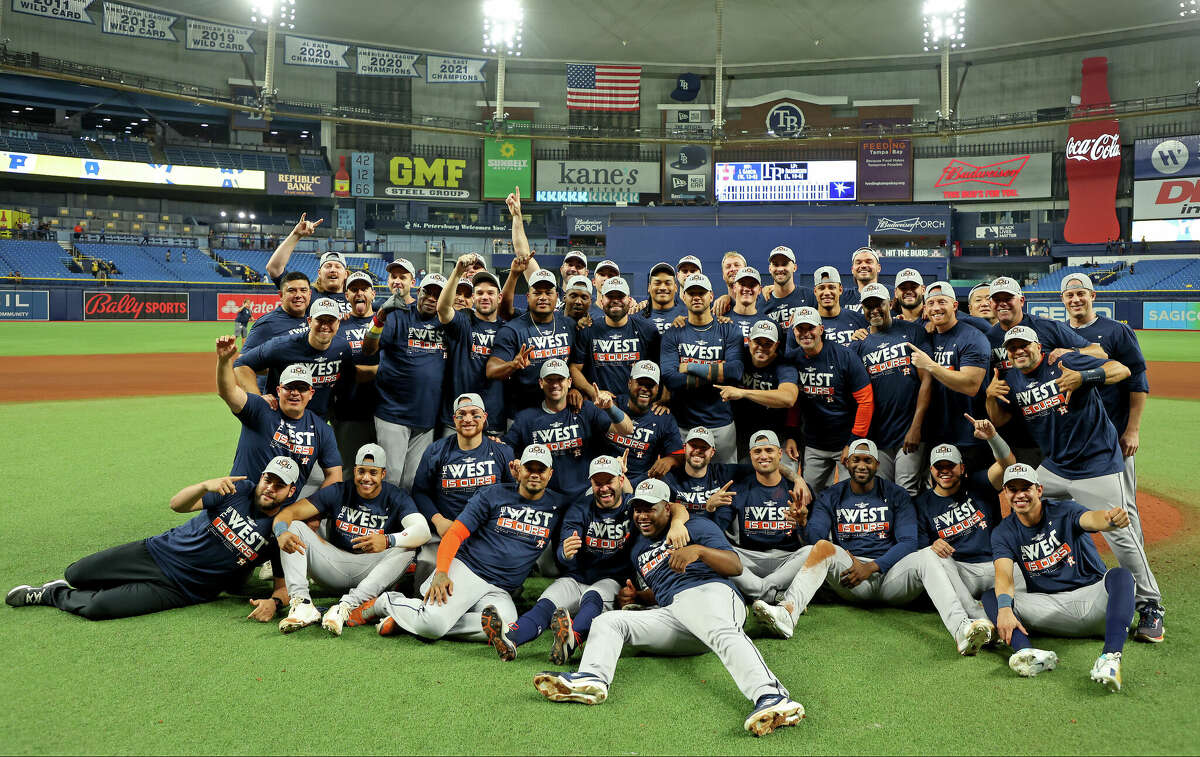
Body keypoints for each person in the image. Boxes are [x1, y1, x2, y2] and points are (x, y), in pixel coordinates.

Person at [533, 478, 806, 738]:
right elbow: (662, 589)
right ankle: (591, 679)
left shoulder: (696, 527)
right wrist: (639, 595)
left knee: (717, 627)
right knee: (608, 622)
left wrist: (699, 551)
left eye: (649, 509)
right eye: (637, 510)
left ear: (667, 508)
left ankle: (773, 696)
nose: (642, 516)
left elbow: (734, 566)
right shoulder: (638, 546)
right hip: (676, 613)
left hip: (711, 593)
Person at [985, 326, 1163, 643]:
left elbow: (1120, 369)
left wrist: (1084, 377)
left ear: (1038, 346)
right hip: (1055, 467)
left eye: (1024, 346)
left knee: (1121, 533)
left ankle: (1150, 606)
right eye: (1012, 348)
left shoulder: (1063, 362)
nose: (1018, 352)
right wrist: (989, 397)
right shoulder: (1010, 377)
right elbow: (998, 420)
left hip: (1096, 464)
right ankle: (1028, 579)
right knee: (1022, 498)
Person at [752, 439, 994, 656]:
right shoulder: (832, 495)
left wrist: (873, 567)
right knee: (823, 547)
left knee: (928, 554)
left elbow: (909, 542)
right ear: (846, 462)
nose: (861, 465)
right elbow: (816, 536)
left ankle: (961, 629)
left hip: (891, 578)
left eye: (868, 460)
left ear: (877, 464)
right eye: (856, 459)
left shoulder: (896, 494)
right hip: (852, 578)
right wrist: (804, 523)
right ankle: (787, 613)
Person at [6, 458, 298, 622]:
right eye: (267, 479)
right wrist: (202, 486)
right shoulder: (239, 490)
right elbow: (177, 505)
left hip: (183, 589)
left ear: (290, 492)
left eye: (279, 485)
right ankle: (64, 583)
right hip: (156, 552)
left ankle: (50, 595)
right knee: (76, 573)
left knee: (99, 609)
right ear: (260, 478)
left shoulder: (279, 530)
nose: (270, 488)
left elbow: (283, 588)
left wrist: (274, 603)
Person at [481, 455, 688, 663]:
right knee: (546, 603)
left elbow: (674, 507)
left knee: (593, 597)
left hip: (611, 580)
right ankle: (510, 640)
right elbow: (564, 549)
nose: (604, 488)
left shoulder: (633, 506)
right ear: (591, 483)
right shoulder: (580, 507)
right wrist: (566, 552)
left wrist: (678, 523)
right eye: (598, 483)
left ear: (621, 480)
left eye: (609, 481)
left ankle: (571, 640)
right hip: (577, 576)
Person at [362, 445, 563, 643]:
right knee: (432, 626)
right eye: (529, 468)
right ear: (520, 470)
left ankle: (412, 619)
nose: (535, 474)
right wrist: (442, 572)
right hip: (468, 570)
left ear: (550, 473)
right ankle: (387, 603)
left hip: (500, 589)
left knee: (507, 627)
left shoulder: (558, 505)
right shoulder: (493, 494)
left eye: (541, 470)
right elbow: (454, 534)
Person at [981, 464, 1137, 692]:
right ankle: (1028, 653)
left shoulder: (1065, 510)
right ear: (1005, 493)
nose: (1020, 495)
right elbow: (1003, 574)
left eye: (1026, 488)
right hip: (1050, 607)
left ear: (1039, 490)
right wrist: (1004, 608)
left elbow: (1091, 519)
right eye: (1012, 489)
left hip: (1092, 602)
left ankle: (1110, 658)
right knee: (992, 597)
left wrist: (1110, 520)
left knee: (1121, 576)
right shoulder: (1004, 532)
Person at [271, 444, 429, 636]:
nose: (366, 478)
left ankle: (345, 607)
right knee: (294, 527)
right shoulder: (339, 491)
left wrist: (387, 540)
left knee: (407, 548)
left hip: (371, 571)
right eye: (361, 471)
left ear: (383, 474)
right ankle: (302, 604)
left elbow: (423, 531)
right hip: (334, 564)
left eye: (373, 472)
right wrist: (281, 532)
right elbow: (289, 513)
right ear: (354, 471)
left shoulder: (396, 496)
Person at [364, 273, 468, 490]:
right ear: (417, 292)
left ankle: (404, 523)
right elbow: (368, 349)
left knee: (412, 482)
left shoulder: (448, 323)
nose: (431, 298)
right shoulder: (399, 315)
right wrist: (380, 316)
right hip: (393, 413)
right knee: (390, 478)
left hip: (426, 418)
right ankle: (386, 523)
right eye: (426, 292)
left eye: (437, 294)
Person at [411, 393, 515, 588]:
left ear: (484, 417)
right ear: (454, 420)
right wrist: (438, 520)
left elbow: (513, 497)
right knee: (426, 580)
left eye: (474, 414)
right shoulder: (436, 450)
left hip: (487, 535)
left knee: (501, 586)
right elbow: (419, 492)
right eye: (462, 414)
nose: (468, 419)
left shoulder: (503, 451)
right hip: (446, 531)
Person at [915, 426, 1017, 626]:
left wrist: (992, 437)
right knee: (932, 558)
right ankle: (975, 613)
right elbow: (920, 549)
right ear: (931, 470)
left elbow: (1008, 464)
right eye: (939, 466)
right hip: (963, 574)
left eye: (950, 465)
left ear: (962, 468)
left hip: (999, 565)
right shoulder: (921, 504)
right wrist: (933, 544)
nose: (945, 471)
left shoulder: (980, 484)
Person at [216, 340, 341, 501]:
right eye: (289, 387)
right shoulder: (260, 409)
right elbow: (228, 392)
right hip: (239, 501)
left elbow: (335, 476)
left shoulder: (322, 430)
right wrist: (224, 361)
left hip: (280, 514)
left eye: (301, 388)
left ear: (311, 393)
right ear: (279, 390)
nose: (295, 393)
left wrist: (313, 510)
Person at [504, 359, 635, 499]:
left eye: (560, 379)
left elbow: (627, 429)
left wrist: (610, 408)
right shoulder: (526, 418)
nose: (555, 384)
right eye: (549, 380)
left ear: (569, 382)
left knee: (626, 487)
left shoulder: (586, 409)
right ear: (541, 383)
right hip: (548, 497)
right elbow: (505, 448)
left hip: (587, 493)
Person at [849, 283, 930, 494]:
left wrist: (917, 427)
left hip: (909, 431)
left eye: (879, 304)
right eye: (869, 306)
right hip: (878, 434)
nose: (874, 310)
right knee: (883, 493)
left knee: (907, 491)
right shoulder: (858, 344)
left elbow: (927, 381)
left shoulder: (913, 332)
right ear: (862, 309)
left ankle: (912, 529)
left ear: (891, 304)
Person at [784, 307, 873, 494]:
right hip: (814, 444)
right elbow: (793, 401)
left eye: (811, 328)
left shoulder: (845, 355)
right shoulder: (792, 359)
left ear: (821, 330)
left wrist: (854, 441)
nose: (806, 333)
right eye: (800, 329)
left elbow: (866, 401)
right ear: (794, 332)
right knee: (808, 494)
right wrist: (791, 434)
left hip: (845, 441)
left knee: (850, 497)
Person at [660, 273, 745, 462]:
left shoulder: (729, 329)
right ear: (683, 296)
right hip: (683, 424)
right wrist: (716, 373)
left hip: (721, 423)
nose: (696, 297)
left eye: (702, 292)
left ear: (711, 295)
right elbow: (670, 378)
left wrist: (690, 366)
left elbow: (735, 372)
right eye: (691, 293)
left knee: (725, 479)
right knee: (686, 483)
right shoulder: (673, 333)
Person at [906, 282, 991, 470]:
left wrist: (930, 365)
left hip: (970, 435)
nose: (936, 307)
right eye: (931, 303)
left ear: (954, 306)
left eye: (942, 302)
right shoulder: (926, 336)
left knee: (976, 493)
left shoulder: (973, 337)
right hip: (936, 434)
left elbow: (971, 385)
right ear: (925, 309)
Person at [233, 298, 357, 419]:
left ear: (338, 323)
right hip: (279, 419)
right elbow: (241, 364)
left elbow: (345, 382)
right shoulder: (282, 346)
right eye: (320, 320)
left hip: (319, 421)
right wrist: (257, 399)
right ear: (309, 321)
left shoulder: (342, 347)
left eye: (330, 320)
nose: (325, 326)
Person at [722, 431, 809, 602]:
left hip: (786, 559)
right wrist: (710, 508)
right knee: (716, 553)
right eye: (758, 451)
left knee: (814, 551)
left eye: (769, 450)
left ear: (779, 453)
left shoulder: (798, 490)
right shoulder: (737, 489)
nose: (763, 456)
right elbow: (717, 529)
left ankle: (757, 590)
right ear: (751, 455)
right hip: (749, 558)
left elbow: (812, 536)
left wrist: (802, 523)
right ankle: (773, 594)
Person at [488, 269, 575, 413]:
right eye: (537, 293)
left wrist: (576, 389)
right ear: (528, 297)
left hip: (561, 412)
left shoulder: (569, 325)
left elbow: (576, 365)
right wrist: (512, 365)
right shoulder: (512, 329)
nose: (543, 297)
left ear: (557, 297)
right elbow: (491, 370)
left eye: (548, 292)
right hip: (522, 413)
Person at [439, 255, 507, 436]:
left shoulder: (508, 329)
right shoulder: (463, 321)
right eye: (479, 293)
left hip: (494, 419)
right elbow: (443, 309)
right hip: (458, 418)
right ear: (474, 297)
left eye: (490, 293)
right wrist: (457, 271)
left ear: (499, 297)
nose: (485, 297)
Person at [714, 320, 798, 465]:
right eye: (757, 342)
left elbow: (789, 398)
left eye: (768, 344)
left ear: (777, 345)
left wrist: (743, 393)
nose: (761, 348)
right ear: (749, 341)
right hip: (739, 432)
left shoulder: (784, 365)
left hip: (775, 433)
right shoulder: (739, 356)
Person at [570, 276, 660, 406]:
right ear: (601, 301)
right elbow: (574, 369)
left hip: (636, 407)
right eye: (610, 296)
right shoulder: (588, 330)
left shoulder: (647, 330)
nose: (615, 300)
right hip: (599, 407)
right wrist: (594, 392)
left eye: (620, 296)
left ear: (629, 300)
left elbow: (661, 369)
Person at [330, 272, 382, 478]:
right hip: (348, 411)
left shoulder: (387, 323)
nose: (359, 293)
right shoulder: (337, 326)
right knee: (348, 470)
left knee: (380, 468)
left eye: (364, 289)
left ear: (373, 294)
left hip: (384, 410)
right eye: (353, 290)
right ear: (346, 295)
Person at [240, 272, 312, 392]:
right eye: (292, 290)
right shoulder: (267, 323)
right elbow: (243, 363)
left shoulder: (316, 318)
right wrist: (258, 401)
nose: (298, 295)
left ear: (309, 294)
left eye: (303, 290)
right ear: (281, 295)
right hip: (277, 399)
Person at [809, 266, 867, 345]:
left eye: (831, 287)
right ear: (815, 291)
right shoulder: (808, 324)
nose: (826, 293)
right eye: (821, 288)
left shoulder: (859, 320)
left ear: (840, 290)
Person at [759, 246, 812, 331]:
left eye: (785, 264)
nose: (780, 269)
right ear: (770, 269)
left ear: (794, 267)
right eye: (775, 264)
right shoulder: (761, 302)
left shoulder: (809, 296)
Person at [641, 262, 686, 334]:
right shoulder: (637, 317)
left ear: (675, 287)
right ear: (649, 287)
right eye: (657, 283)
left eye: (668, 283)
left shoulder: (687, 316)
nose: (662, 288)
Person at [724, 266, 766, 344]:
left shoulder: (768, 323)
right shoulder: (722, 320)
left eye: (752, 285)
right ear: (734, 287)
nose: (746, 289)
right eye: (742, 284)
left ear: (760, 290)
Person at [845, 246, 883, 311]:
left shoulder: (892, 294)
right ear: (852, 269)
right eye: (858, 263)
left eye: (869, 262)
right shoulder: (842, 297)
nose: (863, 266)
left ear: (878, 268)